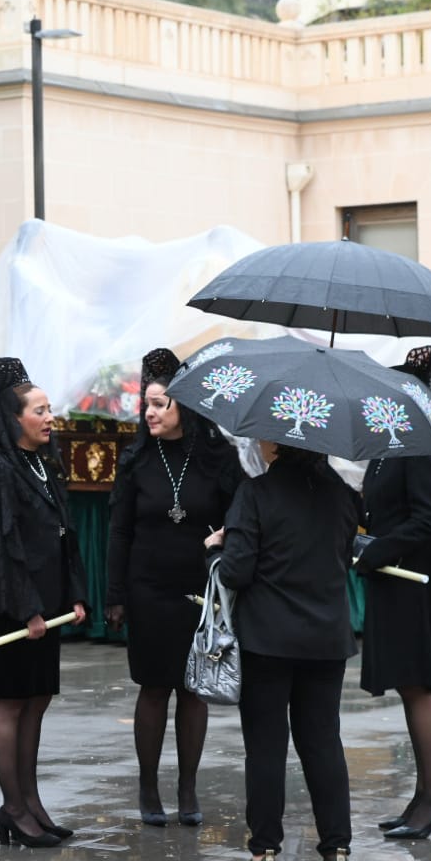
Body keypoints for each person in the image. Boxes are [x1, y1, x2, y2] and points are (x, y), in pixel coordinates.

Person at [205, 441, 361, 861]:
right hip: (327, 640)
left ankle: (264, 856)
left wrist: (217, 548)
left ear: (276, 442)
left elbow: (236, 572)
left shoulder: (255, 494)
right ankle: (337, 857)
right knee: (323, 744)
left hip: (267, 641)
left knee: (267, 747)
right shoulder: (344, 497)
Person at [105, 348, 244, 826]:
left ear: (184, 404)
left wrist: (226, 542)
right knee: (154, 687)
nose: (150, 413)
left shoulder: (217, 457)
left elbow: (238, 516)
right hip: (148, 588)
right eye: (146, 405)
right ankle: (148, 786)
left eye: (160, 404)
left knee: (193, 690)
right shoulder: (136, 459)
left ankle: (188, 788)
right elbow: (119, 529)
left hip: (199, 589)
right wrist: (115, 594)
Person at [0, 357, 89, 848]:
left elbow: (64, 535)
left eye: (49, 408)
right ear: (13, 419)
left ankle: (32, 803)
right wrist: (27, 609)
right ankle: (13, 808)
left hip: (46, 608)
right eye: (40, 410)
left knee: (37, 702)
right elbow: (1, 548)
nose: (50, 417)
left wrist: (74, 594)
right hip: (11, 612)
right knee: (11, 704)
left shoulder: (41, 464)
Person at [356, 345, 431, 842]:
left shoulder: (418, 444)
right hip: (391, 583)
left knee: (420, 685)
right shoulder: (390, 443)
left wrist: (378, 550)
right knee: (408, 685)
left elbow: (426, 518)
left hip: (413, 585)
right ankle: (423, 796)